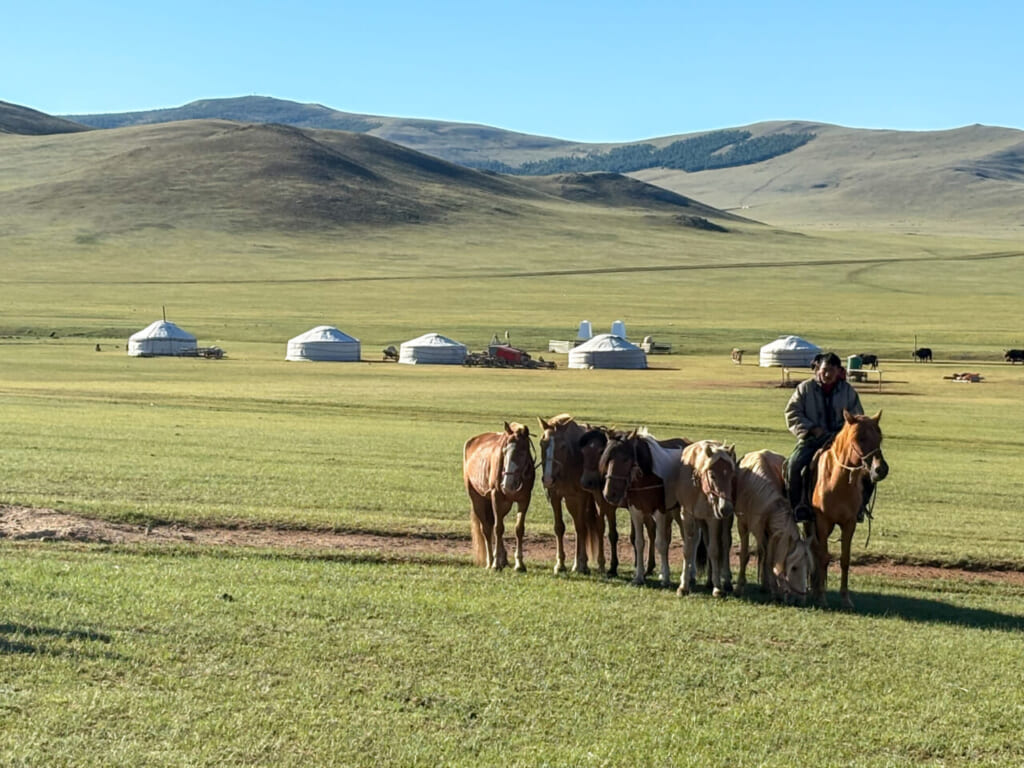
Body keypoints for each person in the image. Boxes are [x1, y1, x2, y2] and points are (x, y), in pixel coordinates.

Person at [784, 352, 865, 522]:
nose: (827, 374)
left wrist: (844, 434)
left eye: (831, 370)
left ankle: (859, 507)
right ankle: (798, 506)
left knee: (868, 469)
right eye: (824, 370)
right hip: (812, 439)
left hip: (841, 441)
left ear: (838, 371)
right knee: (793, 465)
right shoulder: (805, 389)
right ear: (817, 370)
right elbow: (793, 413)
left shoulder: (848, 392)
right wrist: (811, 428)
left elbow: (857, 417)